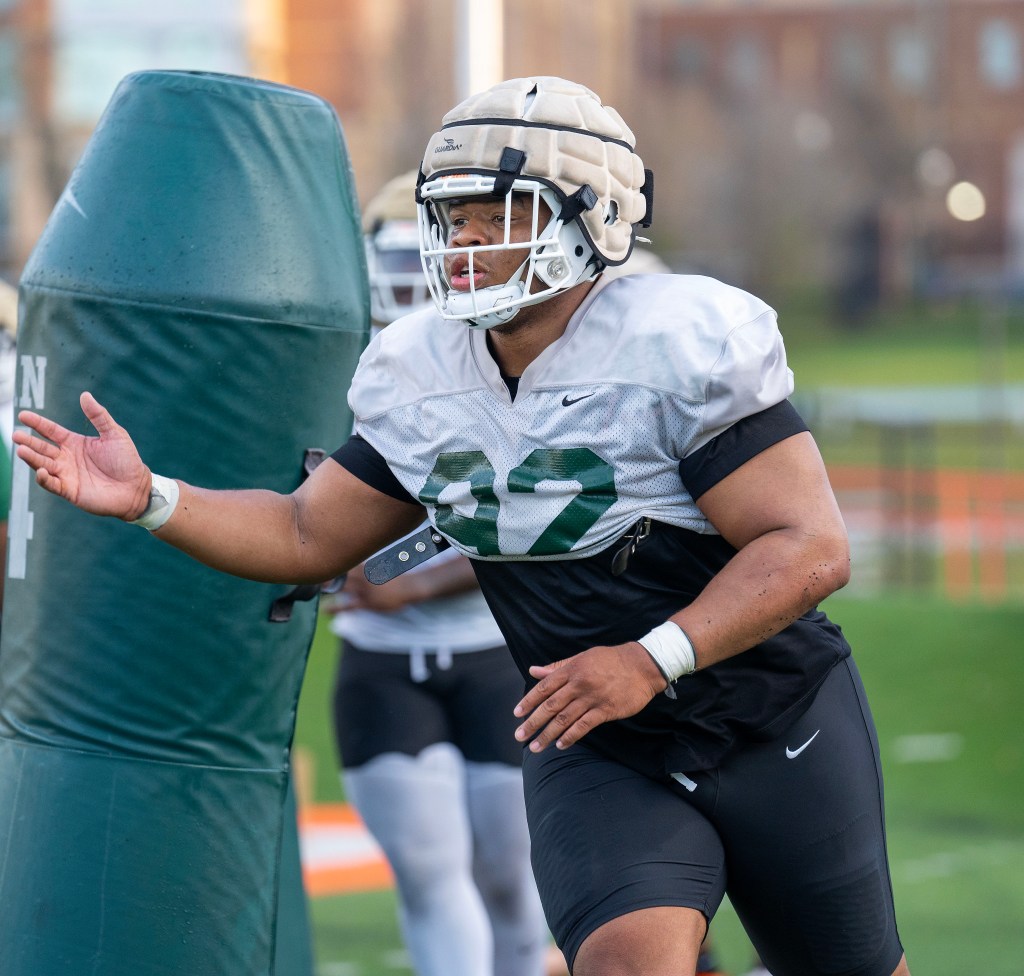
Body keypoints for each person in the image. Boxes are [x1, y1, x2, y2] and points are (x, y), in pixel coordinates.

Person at [15, 76, 911, 976]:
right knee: (626, 963)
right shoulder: (423, 373)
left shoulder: (676, 342)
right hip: (597, 740)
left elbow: (809, 546)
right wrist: (152, 497)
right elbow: (301, 535)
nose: (466, 245)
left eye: (496, 216)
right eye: (453, 220)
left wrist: (650, 659)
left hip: (771, 718)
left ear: (591, 215)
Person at [325, 171, 550, 976]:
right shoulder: (352, 371)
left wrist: (413, 582)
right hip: (383, 661)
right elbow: (306, 519)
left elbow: (526, 529)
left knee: (513, 882)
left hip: (493, 653)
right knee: (429, 875)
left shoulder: (511, 359)